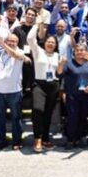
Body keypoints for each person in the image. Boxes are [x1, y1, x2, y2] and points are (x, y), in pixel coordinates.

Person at [27, 22, 64, 152]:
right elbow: (30, 39)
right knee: (38, 110)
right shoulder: (38, 51)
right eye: (48, 42)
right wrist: (36, 25)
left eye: (53, 42)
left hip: (53, 85)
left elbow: (59, 73)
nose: (50, 44)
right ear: (45, 43)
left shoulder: (58, 56)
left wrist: (62, 64)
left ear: (56, 45)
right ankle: (37, 138)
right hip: (39, 85)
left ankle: (45, 139)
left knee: (48, 113)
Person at [0, 34, 30, 150]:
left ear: (17, 43)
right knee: (0, 118)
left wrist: (3, 45)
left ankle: (16, 142)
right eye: (9, 40)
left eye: (14, 41)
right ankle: (1, 142)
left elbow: (15, 55)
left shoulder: (20, 52)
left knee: (16, 118)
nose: (11, 43)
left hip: (14, 91)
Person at [61, 44, 88, 149]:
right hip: (72, 95)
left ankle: (81, 138)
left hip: (86, 95)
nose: (79, 52)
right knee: (72, 117)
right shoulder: (69, 63)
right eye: (77, 50)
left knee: (83, 117)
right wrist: (63, 92)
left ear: (86, 51)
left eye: (82, 50)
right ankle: (70, 139)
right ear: (74, 52)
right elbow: (62, 77)